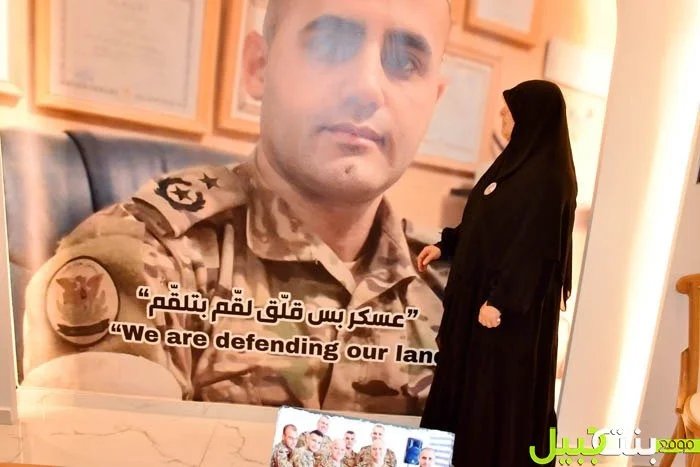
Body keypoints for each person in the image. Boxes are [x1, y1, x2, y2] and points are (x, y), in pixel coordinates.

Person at [21, 0, 452, 415]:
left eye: (405, 62)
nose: (366, 87)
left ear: (434, 100)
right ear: (258, 66)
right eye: (330, 45)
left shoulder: (459, 286)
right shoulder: (145, 257)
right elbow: (101, 446)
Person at [418, 80, 578, 466]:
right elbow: (482, 223)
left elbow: (537, 250)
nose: (503, 115)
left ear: (532, 118)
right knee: (465, 392)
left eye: (511, 110)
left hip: (506, 319)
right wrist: (446, 245)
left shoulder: (549, 179)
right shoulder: (509, 168)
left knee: (492, 402)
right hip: (479, 307)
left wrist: (501, 300)